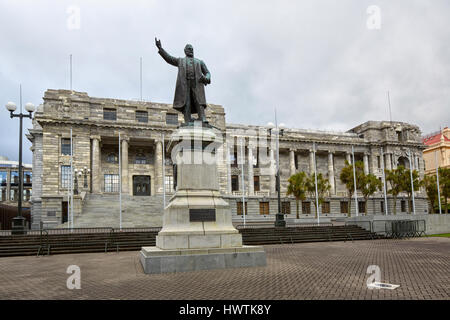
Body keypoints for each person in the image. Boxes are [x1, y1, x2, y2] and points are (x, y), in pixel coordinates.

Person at [155, 38, 211, 124]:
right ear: (185, 51)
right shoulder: (180, 61)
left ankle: (202, 118)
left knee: (199, 100)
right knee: (186, 101)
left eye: (192, 49)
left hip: (197, 84)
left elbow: (207, 72)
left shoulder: (199, 62)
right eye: (189, 48)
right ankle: (187, 119)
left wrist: (206, 78)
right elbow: (169, 59)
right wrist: (160, 49)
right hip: (185, 84)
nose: (191, 50)